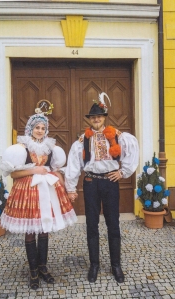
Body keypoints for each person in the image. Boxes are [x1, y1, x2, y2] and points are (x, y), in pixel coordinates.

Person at [0, 101, 77, 290]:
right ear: (30, 129)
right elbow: (14, 174)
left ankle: (43, 267)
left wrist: (66, 187)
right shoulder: (20, 149)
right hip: (27, 193)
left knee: (44, 230)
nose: (40, 131)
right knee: (30, 231)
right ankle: (33, 271)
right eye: (37, 128)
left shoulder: (51, 149)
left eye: (43, 128)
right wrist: (35, 169)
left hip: (48, 192)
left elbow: (55, 170)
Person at [65, 92, 139, 284]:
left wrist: (123, 173)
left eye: (99, 117)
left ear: (104, 118)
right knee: (91, 224)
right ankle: (94, 265)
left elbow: (132, 152)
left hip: (110, 182)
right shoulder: (83, 140)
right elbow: (73, 164)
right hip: (90, 183)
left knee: (113, 224)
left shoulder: (117, 136)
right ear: (89, 121)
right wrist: (71, 187)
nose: (96, 120)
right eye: (93, 118)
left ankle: (116, 265)